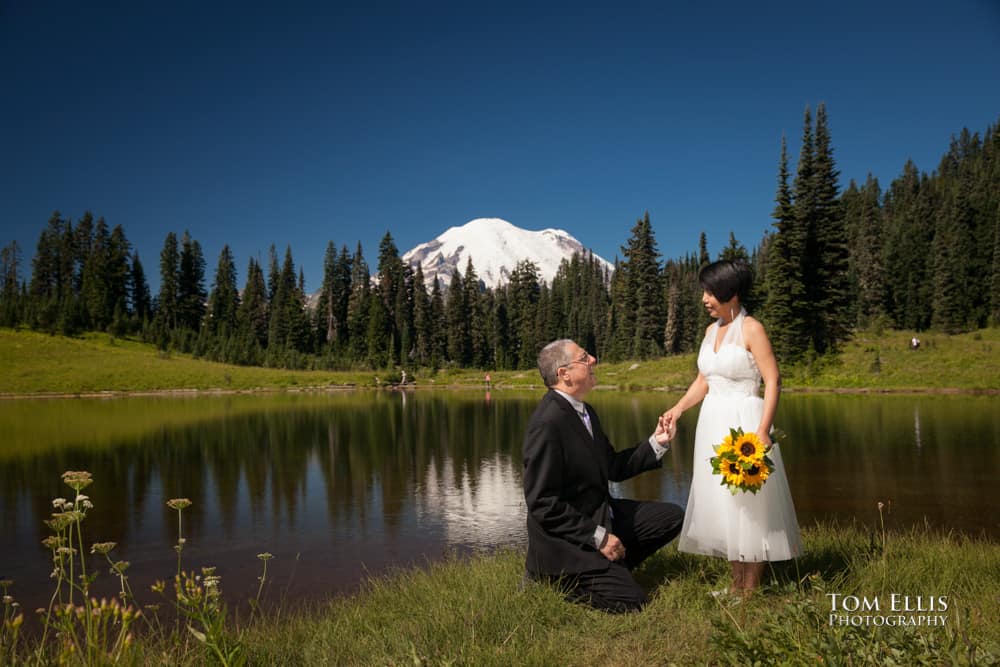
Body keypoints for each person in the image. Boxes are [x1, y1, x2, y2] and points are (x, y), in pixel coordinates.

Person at [661, 260, 801, 598]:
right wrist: (678, 409)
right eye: (704, 292)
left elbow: (773, 380)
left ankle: (750, 589)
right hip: (712, 422)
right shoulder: (711, 332)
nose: (704, 299)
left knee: (748, 503)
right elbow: (703, 381)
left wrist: (763, 430)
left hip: (745, 423)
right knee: (725, 500)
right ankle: (736, 583)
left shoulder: (752, 329)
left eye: (711, 292)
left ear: (731, 294)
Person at [523, 339, 685, 613]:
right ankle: (552, 579)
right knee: (633, 603)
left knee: (672, 517)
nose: (594, 360)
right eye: (585, 358)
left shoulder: (585, 412)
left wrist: (657, 443)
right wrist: (599, 537)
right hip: (566, 543)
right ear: (564, 374)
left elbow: (613, 467)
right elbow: (542, 503)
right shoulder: (547, 423)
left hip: (599, 514)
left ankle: (611, 566)